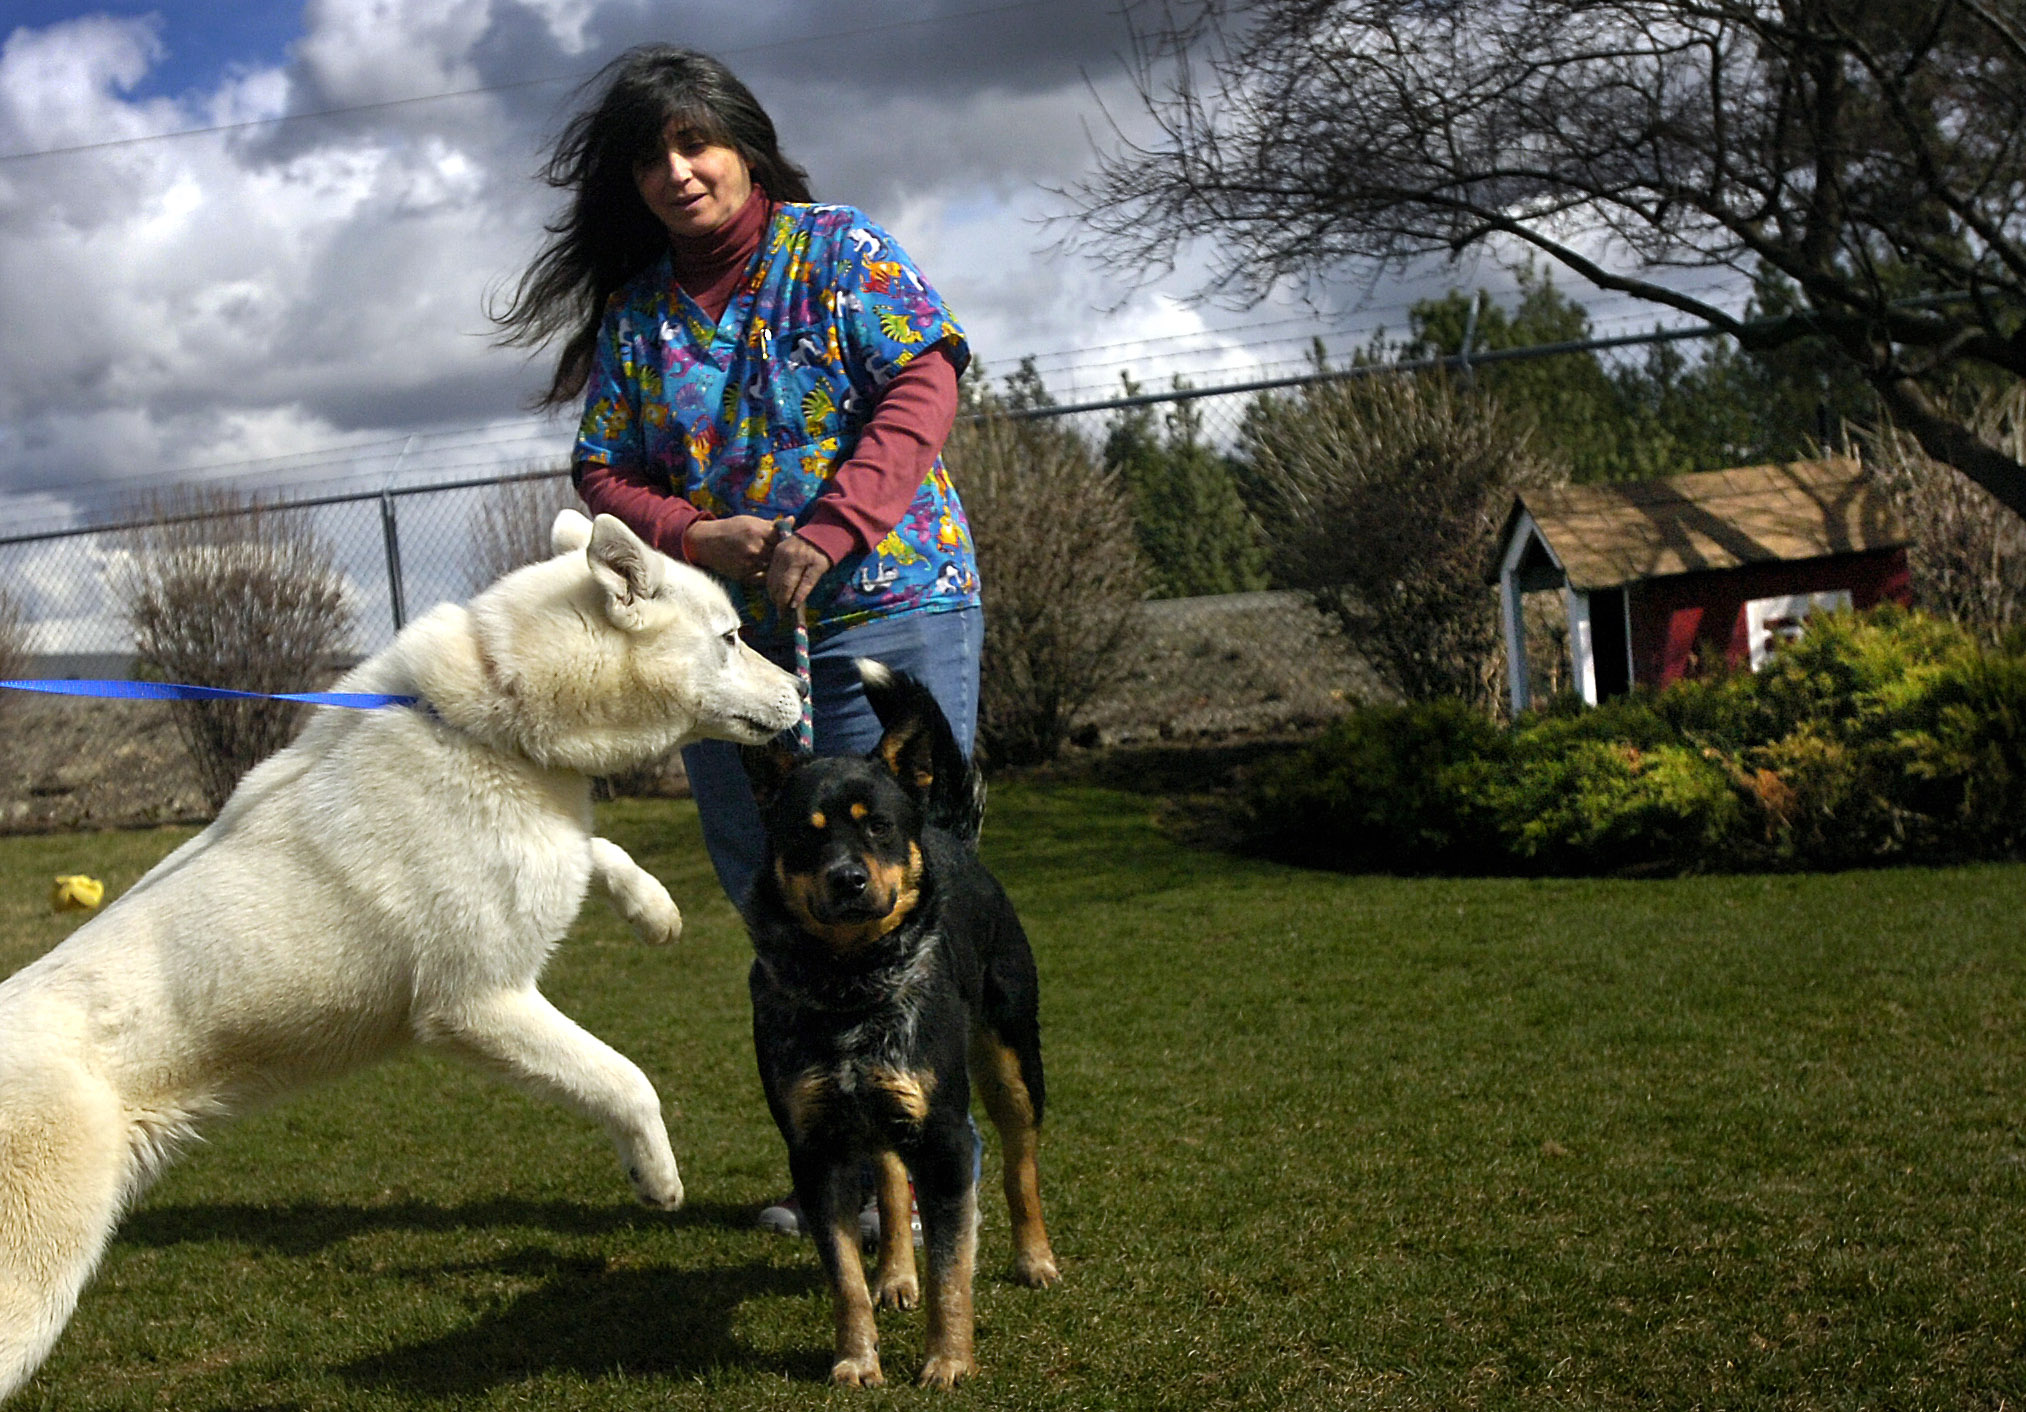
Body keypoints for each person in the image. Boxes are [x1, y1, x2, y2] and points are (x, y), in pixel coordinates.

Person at [493, 43, 984, 1239]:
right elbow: (604, 470)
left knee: (914, 889)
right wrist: (702, 535)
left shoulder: (837, 250)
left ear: (742, 146)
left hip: (891, 599)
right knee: (780, 904)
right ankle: (846, 1179)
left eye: (693, 143)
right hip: (724, 662)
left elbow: (924, 376)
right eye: (649, 157)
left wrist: (837, 521)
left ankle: (937, 1169)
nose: (676, 171)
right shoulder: (640, 315)